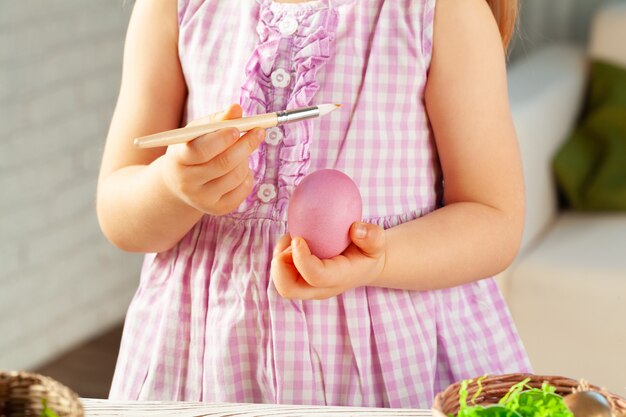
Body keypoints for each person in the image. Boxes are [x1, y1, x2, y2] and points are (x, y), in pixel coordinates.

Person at [97, 0, 531, 408]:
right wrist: (171, 187)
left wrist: (378, 261)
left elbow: (494, 219)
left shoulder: (441, 10)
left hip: (395, 365)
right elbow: (119, 215)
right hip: (199, 359)